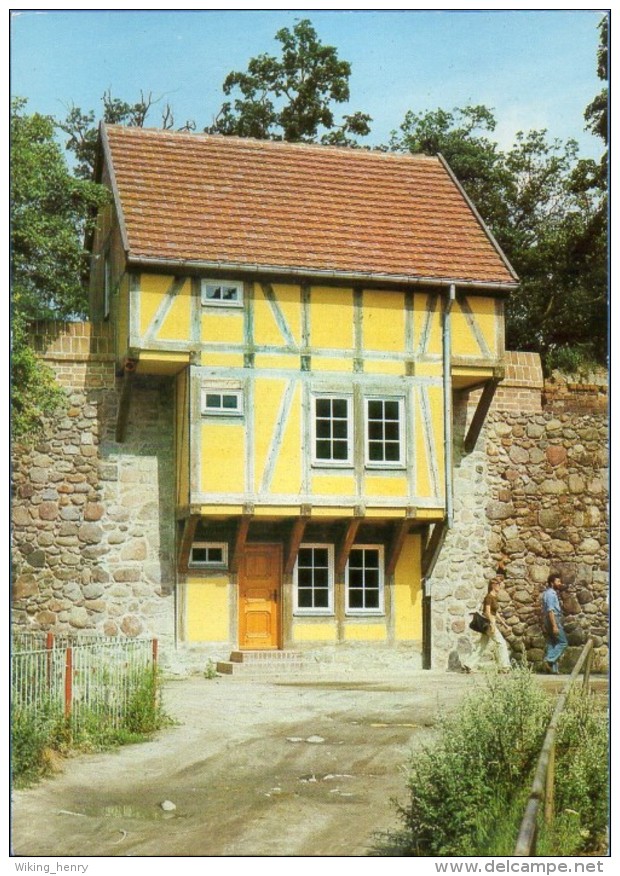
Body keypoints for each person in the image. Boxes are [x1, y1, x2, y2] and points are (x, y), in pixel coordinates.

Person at [462, 576, 511, 673]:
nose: (500, 587)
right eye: (498, 585)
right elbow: (487, 612)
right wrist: (492, 624)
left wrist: (505, 625)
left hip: (490, 623)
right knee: (501, 643)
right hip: (489, 624)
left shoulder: (493, 597)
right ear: (493, 585)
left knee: (482, 645)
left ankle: (468, 664)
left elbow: (495, 613)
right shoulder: (488, 597)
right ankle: (504, 667)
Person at [541, 573, 568, 673]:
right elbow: (550, 610)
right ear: (552, 583)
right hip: (553, 618)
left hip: (549, 619)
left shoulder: (548, 593)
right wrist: (554, 626)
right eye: (558, 581)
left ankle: (553, 669)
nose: (560, 583)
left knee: (553, 642)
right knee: (563, 642)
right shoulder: (550, 594)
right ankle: (549, 660)